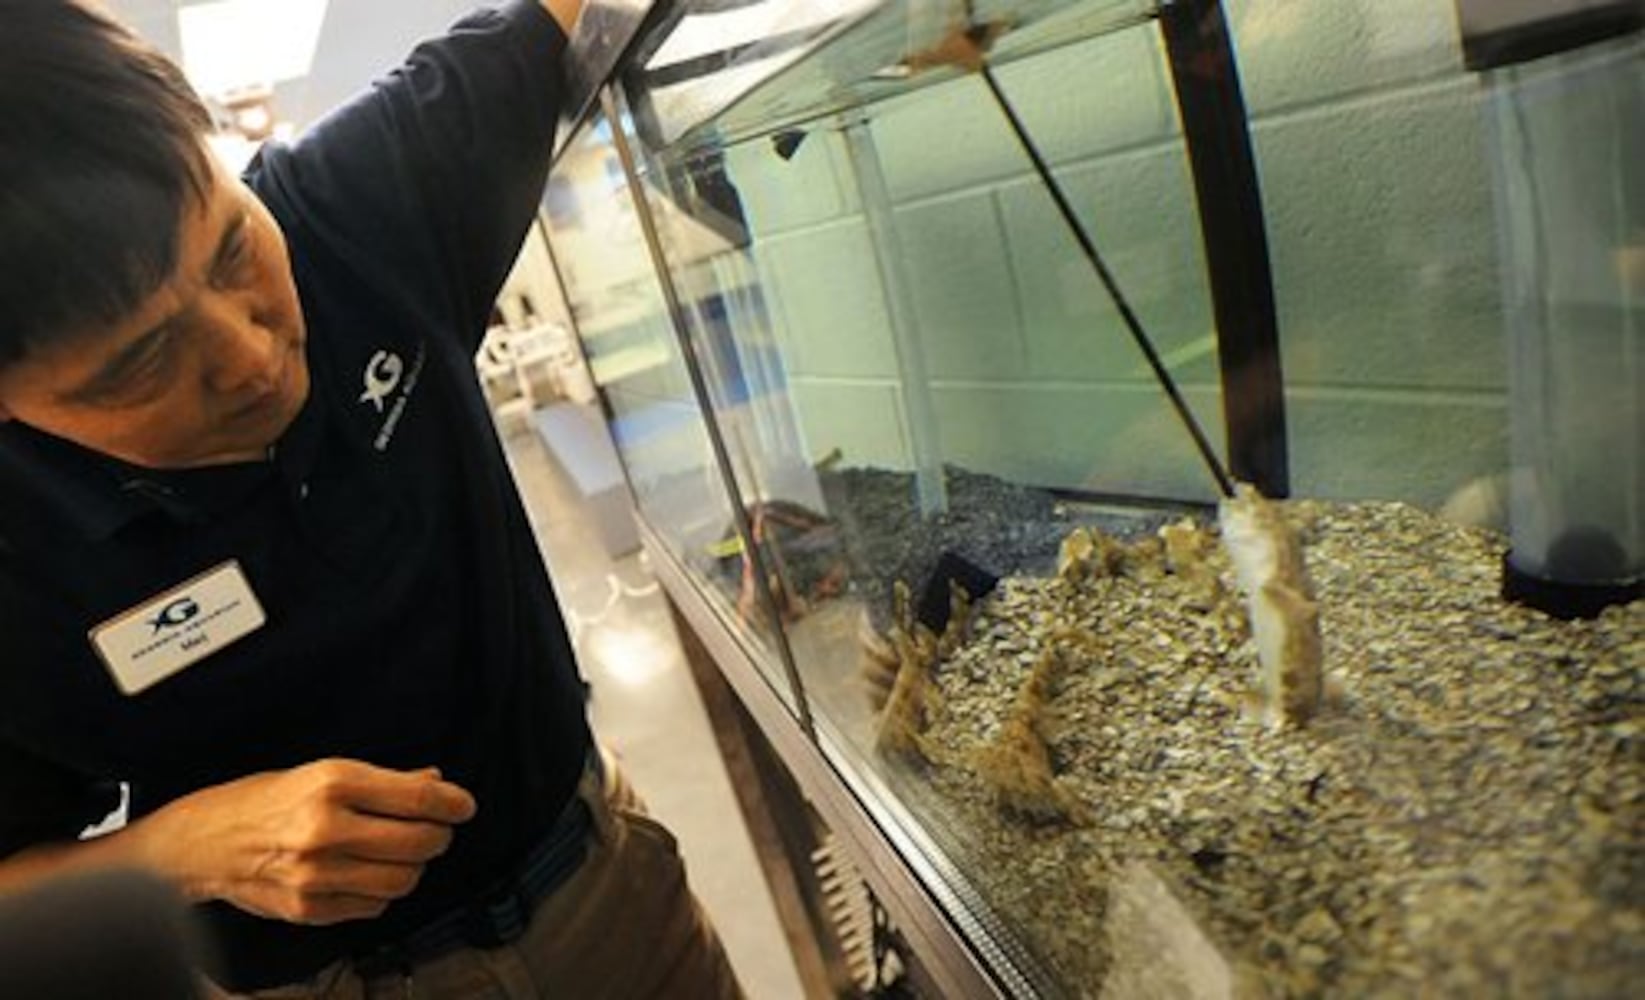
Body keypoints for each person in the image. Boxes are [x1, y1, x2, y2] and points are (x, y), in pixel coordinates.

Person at [0, 1, 743, 996]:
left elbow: (565, 16)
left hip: (608, 889)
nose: (255, 356)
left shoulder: (354, 207)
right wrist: (183, 848)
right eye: (140, 363)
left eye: (231, 251)